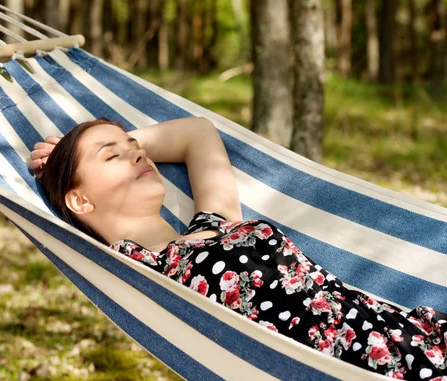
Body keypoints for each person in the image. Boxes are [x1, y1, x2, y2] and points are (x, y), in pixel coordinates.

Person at [30, 116, 446, 380]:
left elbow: (198, 132)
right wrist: (70, 161)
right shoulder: (137, 271)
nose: (137, 155)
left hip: (413, 334)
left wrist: (112, 144)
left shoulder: (215, 220)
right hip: (360, 367)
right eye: (113, 156)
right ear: (81, 201)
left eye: (136, 149)